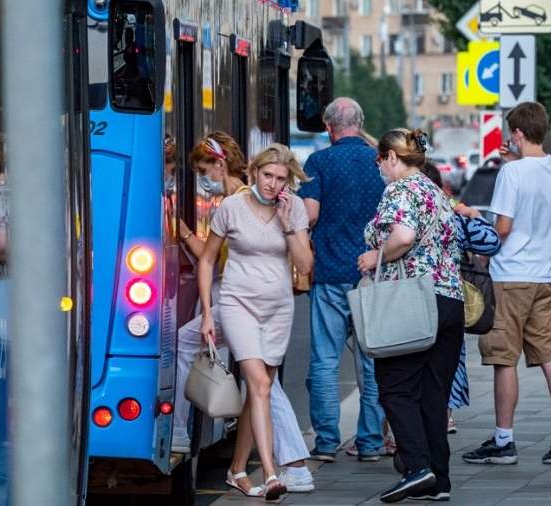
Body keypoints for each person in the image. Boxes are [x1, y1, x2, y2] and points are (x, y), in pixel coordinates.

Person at [463, 102, 551, 467]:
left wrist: (474, 222)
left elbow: (502, 229)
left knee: (503, 359)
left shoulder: (510, 175)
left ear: (516, 133)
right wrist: (512, 161)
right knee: (550, 355)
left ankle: (504, 440)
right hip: (544, 277)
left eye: (509, 133)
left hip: (509, 276)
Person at [195, 143, 313, 501]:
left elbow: (305, 266)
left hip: (278, 309)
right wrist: (207, 311)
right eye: (267, 176)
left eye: (281, 178)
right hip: (237, 304)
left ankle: (236, 470)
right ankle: (273, 473)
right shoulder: (230, 207)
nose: (273, 184)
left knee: (257, 393)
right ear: (254, 172)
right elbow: (207, 260)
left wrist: (288, 225)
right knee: (259, 384)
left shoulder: (293, 211)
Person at [359, 129, 464, 502]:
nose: (380, 168)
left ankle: (417, 468)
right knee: (433, 392)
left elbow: (402, 237)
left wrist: (376, 256)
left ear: (390, 157)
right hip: (450, 299)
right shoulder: (435, 191)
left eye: (380, 161)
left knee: (395, 386)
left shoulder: (400, 190)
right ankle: (439, 478)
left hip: (415, 300)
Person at [298, 97, 386, 463]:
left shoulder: (319, 162)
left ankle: (327, 443)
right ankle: (369, 442)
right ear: (360, 121)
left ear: (329, 127)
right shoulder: (381, 162)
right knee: (373, 362)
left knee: (324, 360)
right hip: (372, 274)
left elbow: (310, 216)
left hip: (330, 272)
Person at [420, 162, 502, 435]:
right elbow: (491, 242)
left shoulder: (401, 213)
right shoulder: (451, 215)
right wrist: (475, 215)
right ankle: (444, 416)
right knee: (448, 362)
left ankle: (394, 434)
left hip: (410, 304)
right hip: (450, 299)